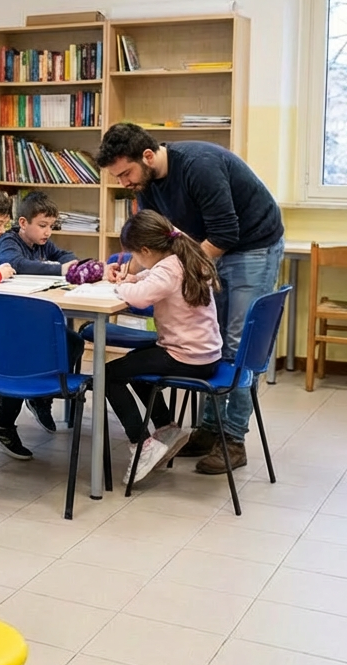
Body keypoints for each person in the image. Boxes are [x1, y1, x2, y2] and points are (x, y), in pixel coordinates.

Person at [97, 124, 284, 474]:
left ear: (148, 156)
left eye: (126, 173)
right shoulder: (148, 184)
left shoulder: (199, 166)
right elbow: (153, 239)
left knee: (236, 344)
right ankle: (208, 431)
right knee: (216, 341)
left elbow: (225, 233)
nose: (124, 183)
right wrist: (130, 270)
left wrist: (173, 271)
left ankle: (232, 439)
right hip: (209, 247)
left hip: (253, 245)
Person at [103, 211, 223, 485]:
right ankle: (168, 429)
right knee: (136, 364)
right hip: (206, 354)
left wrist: (122, 286)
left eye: (135, 254)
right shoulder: (185, 258)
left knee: (108, 375)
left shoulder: (168, 269)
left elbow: (142, 298)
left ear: (145, 250)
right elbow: (155, 278)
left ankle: (141, 445)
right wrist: (137, 278)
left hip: (185, 356)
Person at [0, 190, 85, 445]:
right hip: (4, 320)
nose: (47, 232)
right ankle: (3, 422)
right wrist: (57, 269)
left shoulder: (43, 244)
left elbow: (65, 256)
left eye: (51, 226)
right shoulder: (8, 242)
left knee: (73, 342)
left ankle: (40, 398)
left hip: (28, 318)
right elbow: (18, 265)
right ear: (23, 223)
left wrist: (69, 264)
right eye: (42, 226)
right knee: (28, 354)